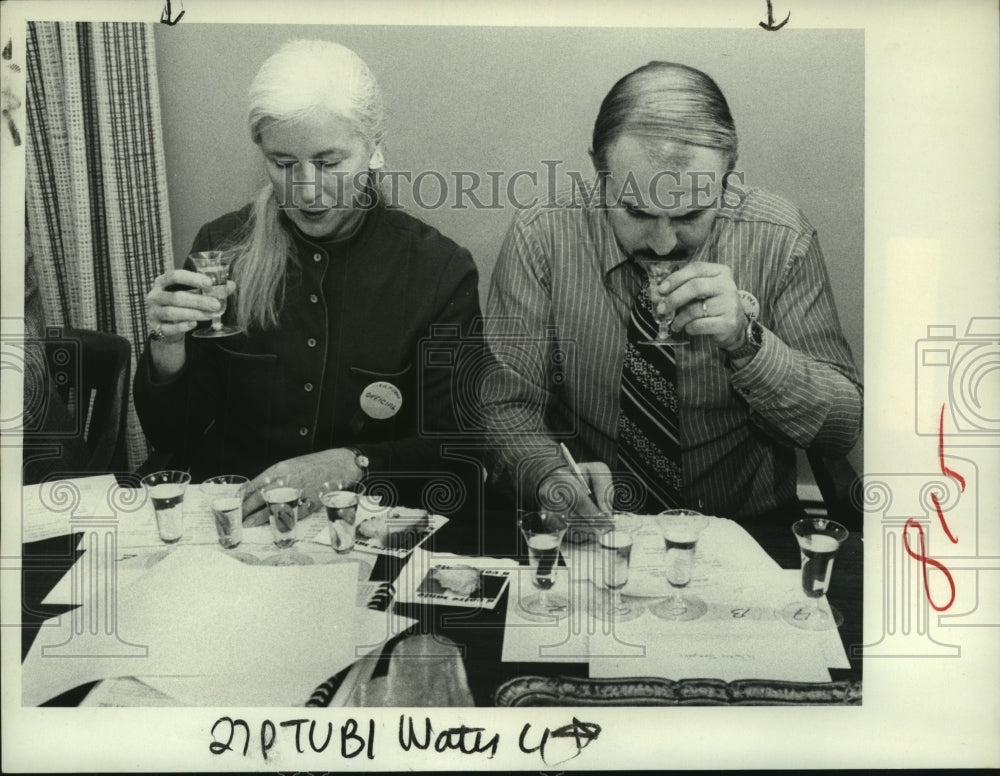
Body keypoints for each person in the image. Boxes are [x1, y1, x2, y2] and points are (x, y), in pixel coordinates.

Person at [482, 61, 862, 528]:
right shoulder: (542, 234)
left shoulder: (781, 238)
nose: (663, 244)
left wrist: (748, 342)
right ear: (599, 172)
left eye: (691, 216)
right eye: (636, 212)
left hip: (744, 528)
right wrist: (548, 475)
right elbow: (504, 405)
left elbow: (841, 431)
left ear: (729, 176)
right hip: (593, 527)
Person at [134, 40, 482, 523]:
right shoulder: (222, 245)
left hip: (363, 531)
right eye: (282, 163)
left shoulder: (437, 271)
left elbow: (458, 456)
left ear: (374, 148)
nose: (306, 190)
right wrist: (166, 348)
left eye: (329, 162)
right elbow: (174, 435)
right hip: (239, 529)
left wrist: (352, 464)